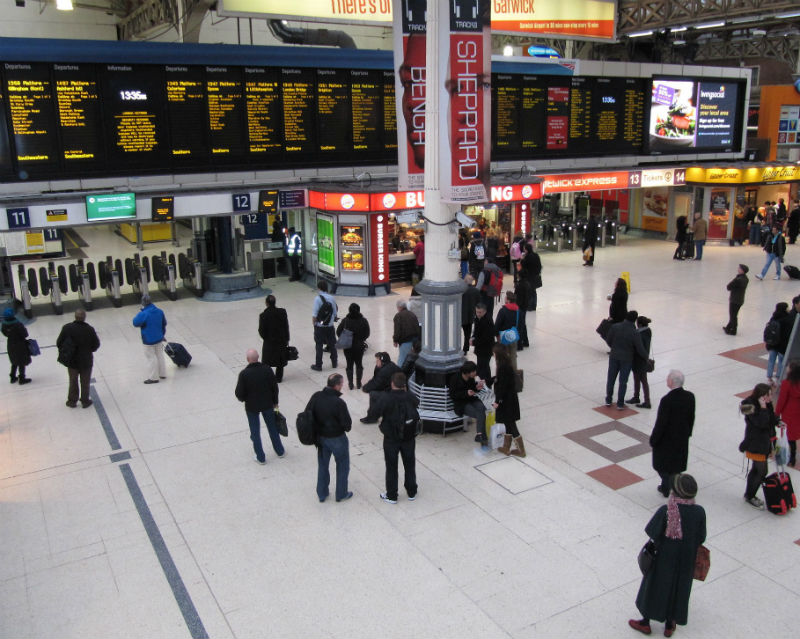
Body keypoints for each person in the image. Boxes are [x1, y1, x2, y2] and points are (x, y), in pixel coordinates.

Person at [628, 474, 706, 637]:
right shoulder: (699, 511)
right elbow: (701, 536)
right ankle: (670, 624)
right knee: (679, 589)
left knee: (654, 588)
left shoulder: (666, 510)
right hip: (686, 560)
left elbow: (652, 532)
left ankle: (645, 622)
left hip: (663, 559)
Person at [307, 373, 353, 503]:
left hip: (321, 438)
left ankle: (322, 493)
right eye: (341, 384)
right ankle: (341, 493)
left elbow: (308, 414)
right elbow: (347, 425)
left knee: (323, 465)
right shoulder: (339, 403)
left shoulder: (316, 396)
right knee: (343, 465)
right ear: (337, 386)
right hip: (337, 438)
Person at [649, 370, 695, 496]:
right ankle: (667, 487)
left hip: (667, 439)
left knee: (662, 465)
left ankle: (668, 485)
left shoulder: (667, 400)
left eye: (668, 378)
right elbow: (691, 417)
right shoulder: (690, 397)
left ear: (671, 381)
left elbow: (661, 423)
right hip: (681, 437)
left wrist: (654, 439)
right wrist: (688, 433)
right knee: (676, 464)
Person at [376, 372, 419, 504]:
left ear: (392, 384)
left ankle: (392, 495)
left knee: (391, 467)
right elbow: (417, 403)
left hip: (391, 438)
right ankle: (411, 491)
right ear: (404, 385)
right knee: (410, 465)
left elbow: (375, 412)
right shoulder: (410, 397)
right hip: (409, 437)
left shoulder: (386, 398)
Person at [234, 349, 283, 464]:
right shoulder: (267, 369)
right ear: (258, 357)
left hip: (252, 407)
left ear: (247, 359)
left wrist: (244, 399)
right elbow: (274, 388)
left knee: (255, 432)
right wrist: (275, 403)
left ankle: (260, 457)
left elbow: (239, 393)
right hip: (268, 405)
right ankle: (280, 451)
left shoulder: (244, 374)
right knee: (272, 427)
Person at [739, 383, 778, 508]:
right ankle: (750, 495)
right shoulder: (748, 405)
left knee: (758, 470)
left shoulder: (766, 404)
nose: (771, 397)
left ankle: (749, 494)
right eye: (769, 395)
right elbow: (761, 422)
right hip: (755, 443)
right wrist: (762, 407)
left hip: (765, 442)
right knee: (761, 471)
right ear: (762, 396)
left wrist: (778, 421)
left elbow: (771, 418)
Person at [56, 309, 100, 408]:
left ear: (75, 317)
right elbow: (96, 344)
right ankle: (85, 400)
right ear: (84, 317)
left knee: (73, 380)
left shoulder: (67, 328)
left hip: (72, 360)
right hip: (86, 360)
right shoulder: (89, 329)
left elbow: (59, 342)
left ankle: (72, 401)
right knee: (85, 381)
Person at [605, 310, 647, 410]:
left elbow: (608, 340)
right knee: (623, 381)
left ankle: (608, 399)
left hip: (614, 356)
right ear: (635, 320)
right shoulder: (634, 332)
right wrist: (646, 357)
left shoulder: (615, 327)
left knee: (611, 379)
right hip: (627, 359)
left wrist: (614, 348)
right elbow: (640, 348)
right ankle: (620, 403)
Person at [492, 344, 524, 457]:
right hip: (510, 399)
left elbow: (502, 386)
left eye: (494, 353)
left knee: (511, 424)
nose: (493, 355)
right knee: (508, 423)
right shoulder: (506, 364)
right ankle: (506, 447)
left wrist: (497, 401)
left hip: (506, 401)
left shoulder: (502, 367)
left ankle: (521, 450)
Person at [449, 360, 487, 444]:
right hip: (462, 404)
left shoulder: (471, 378)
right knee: (480, 414)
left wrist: (477, 388)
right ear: (467, 372)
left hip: (472, 399)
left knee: (482, 408)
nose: (475, 373)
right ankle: (482, 437)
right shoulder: (455, 379)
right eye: (473, 371)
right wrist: (466, 393)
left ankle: (480, 435)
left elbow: (473, 389)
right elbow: (453, 395)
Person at [132, 295, 166, 384]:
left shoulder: (144, 313)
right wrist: (162, 334)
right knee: (160, 355)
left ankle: (153, 378)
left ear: (143, 303)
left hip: (148, 340)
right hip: (159, 338)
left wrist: (141, 312)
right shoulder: (159, 311)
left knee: (151, 358)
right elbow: (164, 323)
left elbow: (135, 323)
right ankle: (163, 373)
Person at [336, 302, 370, 390]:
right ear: (359, 310)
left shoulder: (345, 320)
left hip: (348, 347)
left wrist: (344, 337)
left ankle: (351, 384)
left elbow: (338, 332)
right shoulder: (363, 320)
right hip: (359, 346)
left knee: (349, 365)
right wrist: (361, 339)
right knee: (359, 365)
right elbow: (367, 333)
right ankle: (358, 383)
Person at [360, 352, 401, 423]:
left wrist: (366, 388)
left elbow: (377, 383)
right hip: (389, 388)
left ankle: (372, 417)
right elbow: (375, 379)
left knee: (373, 394)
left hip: (393, 392)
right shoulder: (385, 366)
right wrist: (367, 386)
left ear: (382, 361)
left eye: (377, 360)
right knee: (374, 392)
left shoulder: (385, 371)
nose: (376, 362)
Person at [258, 294, 289, 383]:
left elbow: (261, 331)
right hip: (281, 340)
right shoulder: (282, 312)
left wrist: (266, 338)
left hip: (269, 342)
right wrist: (287, 338)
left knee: (267, 360)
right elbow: (286, 326)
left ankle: (268, 377)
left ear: (266, 303)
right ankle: (279, 378)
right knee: (280, 361)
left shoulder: (263, 315)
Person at [776, 360, 800, 467]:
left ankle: (791, 458)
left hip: (789, 413)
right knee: (795, 434)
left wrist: (777, 413)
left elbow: (782, 400)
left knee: (789, 437)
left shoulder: (786, 384)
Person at [310, 280, 338, 372]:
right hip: (330, 326)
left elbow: (314, 314)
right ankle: (334, 362)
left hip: (320, 327)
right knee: (332, 344)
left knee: (319, 345)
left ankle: (319, 365)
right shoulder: (331, 298)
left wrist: (314, 324)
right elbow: (334, 312)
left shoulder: (317, 299)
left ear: (319, 288)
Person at [627, 315, 653, 409]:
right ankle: (638, 397)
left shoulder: (640, 334)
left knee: (641, 380)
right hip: (642, 360)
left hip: (639, 360)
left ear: (640, 324)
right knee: (640, 380)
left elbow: (639, 348)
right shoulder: (648, 331)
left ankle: (645, 401)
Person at [2, 307, 31, 385]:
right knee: (22, 361)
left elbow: (5, 334)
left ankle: (12, 377)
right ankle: (22, 378)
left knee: (14, 361)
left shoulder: (4, 325)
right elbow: (25, 334)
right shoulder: (18, 324)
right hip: (20, 345)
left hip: (10, 344)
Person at [494, 290, 521, 370]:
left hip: (503, 338)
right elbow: (521, 324)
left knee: (502, 358)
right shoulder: (518, 310)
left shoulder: (503, 311)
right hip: (513, 336)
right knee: (513, 357)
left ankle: (503, 374)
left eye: (505, 298)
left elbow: (497, 325)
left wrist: (497, 335)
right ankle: (513, 375)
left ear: (508, 300)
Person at [472, 303, 496, 385]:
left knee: (483, 367)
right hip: (480, 348)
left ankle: (485, 384)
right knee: (482, 366)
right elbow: (476, 331)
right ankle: (485, 383)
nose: (478, 314)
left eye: (480, 312)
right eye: (477, 312)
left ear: (485, 311)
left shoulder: (488, 321)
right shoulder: (478, 318)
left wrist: (474, 342)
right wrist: (473, 337)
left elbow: (486, 338)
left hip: (486, 349)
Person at [765, 302, 790, 381]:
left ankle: (769, 376)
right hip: (781, 344)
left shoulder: (773, 317)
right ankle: (778, 377)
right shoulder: (786, 319)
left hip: (772, 343)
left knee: (771, 360)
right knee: (781, 361)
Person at [393, 300, 420, 367]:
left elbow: (397, 331)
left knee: (402, 358)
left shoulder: (398, 316)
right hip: (415, 340)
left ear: (399, 307)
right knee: (414, 357)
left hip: (406, 341)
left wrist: (395, 340)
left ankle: (399, 375)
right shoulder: (412, 314)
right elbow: (417, 327)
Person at [723, 264, 749, 335]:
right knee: (734, 314)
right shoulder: (746, 279)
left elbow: (729, 287)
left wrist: (735, 280)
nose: (738, 269)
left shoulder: (738, 280)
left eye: (739, 268)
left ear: (742, 270)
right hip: (740, 299)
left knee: (733, 315)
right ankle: (729, 327)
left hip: (734, 299)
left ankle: (733, 330)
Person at [461, 274, 481, 354]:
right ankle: (465, 349)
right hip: (470, 315)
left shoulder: (461, 290)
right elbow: (479, 303)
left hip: (460, 314)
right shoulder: (475, 291)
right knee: (467, 333)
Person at [519, 242, 542, 311]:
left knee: (529, 292)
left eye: (524, 249)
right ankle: (534, 306)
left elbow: (523, 265)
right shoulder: (536, 255)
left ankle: (529, 306)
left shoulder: (528, 257)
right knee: (534, 291)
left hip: (529, 277)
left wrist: (522, 259)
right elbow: (540, 266)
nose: (524, 251)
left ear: (527, 249)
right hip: (535, 276)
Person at [514, 272, 531, 351]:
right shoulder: (527, 284)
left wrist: (516, 306)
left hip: (520, 307)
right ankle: (525, 341)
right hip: (525, 306)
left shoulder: (520, 285)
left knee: (520, 325)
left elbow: (518, 297)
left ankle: (519, 344)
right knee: (523, 324)